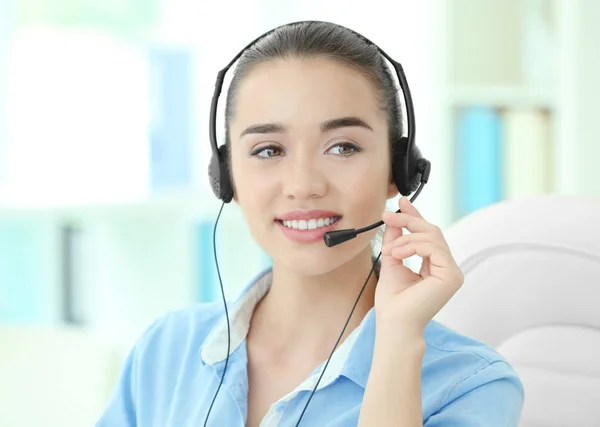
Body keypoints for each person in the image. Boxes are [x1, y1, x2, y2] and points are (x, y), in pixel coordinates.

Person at [96, 21, 524, 426]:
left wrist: (396, 342)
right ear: (227, 178)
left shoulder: (472, 385)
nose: (303, 186)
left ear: (399, 168)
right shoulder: (166, 350)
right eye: (268, 150)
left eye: (342, 147)